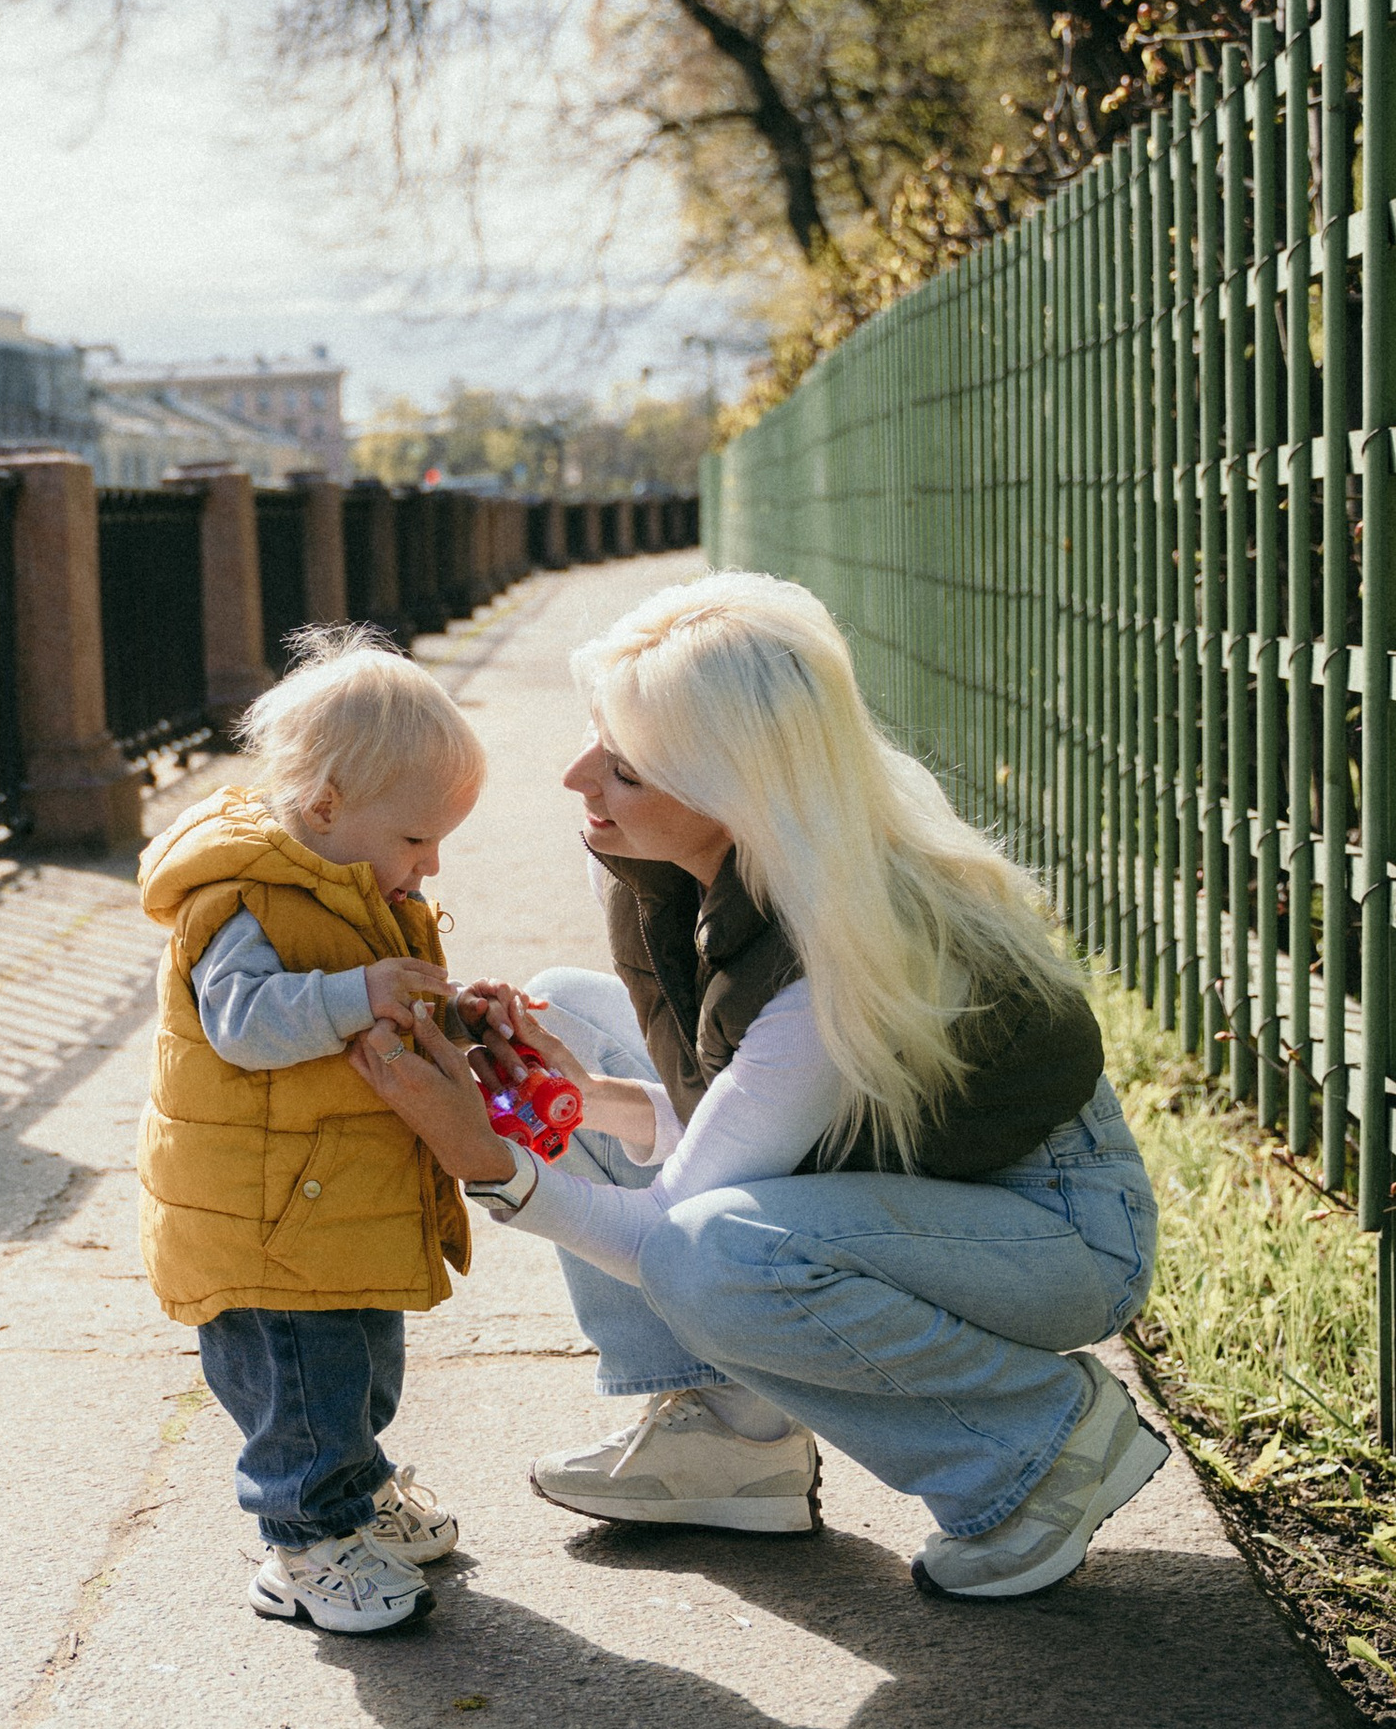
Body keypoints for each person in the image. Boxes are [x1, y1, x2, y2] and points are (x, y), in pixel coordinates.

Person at [350, 572, 1167, 1604]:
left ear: (731, 792)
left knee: (713, 1255)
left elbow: (672, 1232)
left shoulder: (835, 948)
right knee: (571, 1012)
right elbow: (747, 1121)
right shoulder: (680, 863)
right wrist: (583, 1097)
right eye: (596, 738)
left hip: (1052, 1231)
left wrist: (490, 1162)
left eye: (623, 767)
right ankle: (730, 1438)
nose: (574, 776)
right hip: (907, 1185)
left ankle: (1037, 1441)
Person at [137, 631, 484, 1637]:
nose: (430, 864)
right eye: (416, 839)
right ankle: (304, 1543)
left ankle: (357, 1491)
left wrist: (457, 1016)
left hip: (332, 1194)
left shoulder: (351, 881)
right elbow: (244, 1024)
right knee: (302, 1389)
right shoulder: (237, 897)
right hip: (268, 1218)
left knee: (362, 1368)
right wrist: (359, 991)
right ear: (327, 806)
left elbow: (377, 1003)